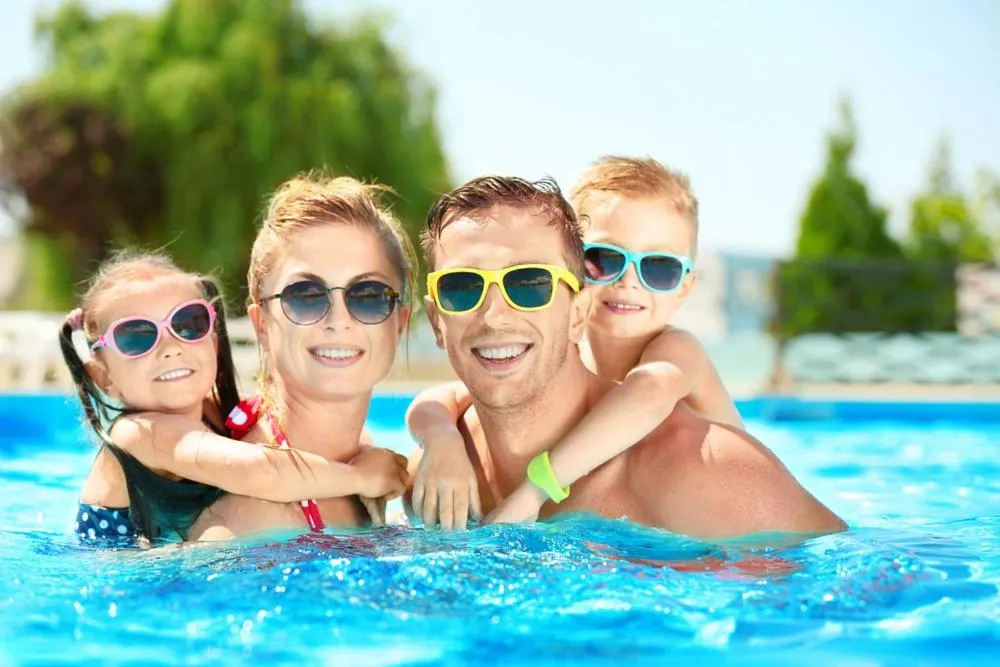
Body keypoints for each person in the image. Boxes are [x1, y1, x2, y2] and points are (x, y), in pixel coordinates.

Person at [407, 175, 846, 541]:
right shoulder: (424, 481)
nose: (495, 313)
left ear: (579, 311)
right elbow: (438, 401)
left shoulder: (710, 474)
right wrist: (438, 438)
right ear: (436, 320)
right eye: (461, 286)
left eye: (530, 283)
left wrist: (534, 490)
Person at [63, 250, 407, 546]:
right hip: (121, 585)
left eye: (188, 325)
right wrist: (362, 477)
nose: (171, 348)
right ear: (103, 377)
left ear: (212, 341)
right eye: (136, 338)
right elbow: (260, 470)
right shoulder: (138, 434)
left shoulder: (218, 414)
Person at [187, 174, 418, 540]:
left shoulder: (369, 457)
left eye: (368, 294)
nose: (338, 320)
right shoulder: (250, 519)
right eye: (306, 295)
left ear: (400, 322)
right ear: (261, 323)